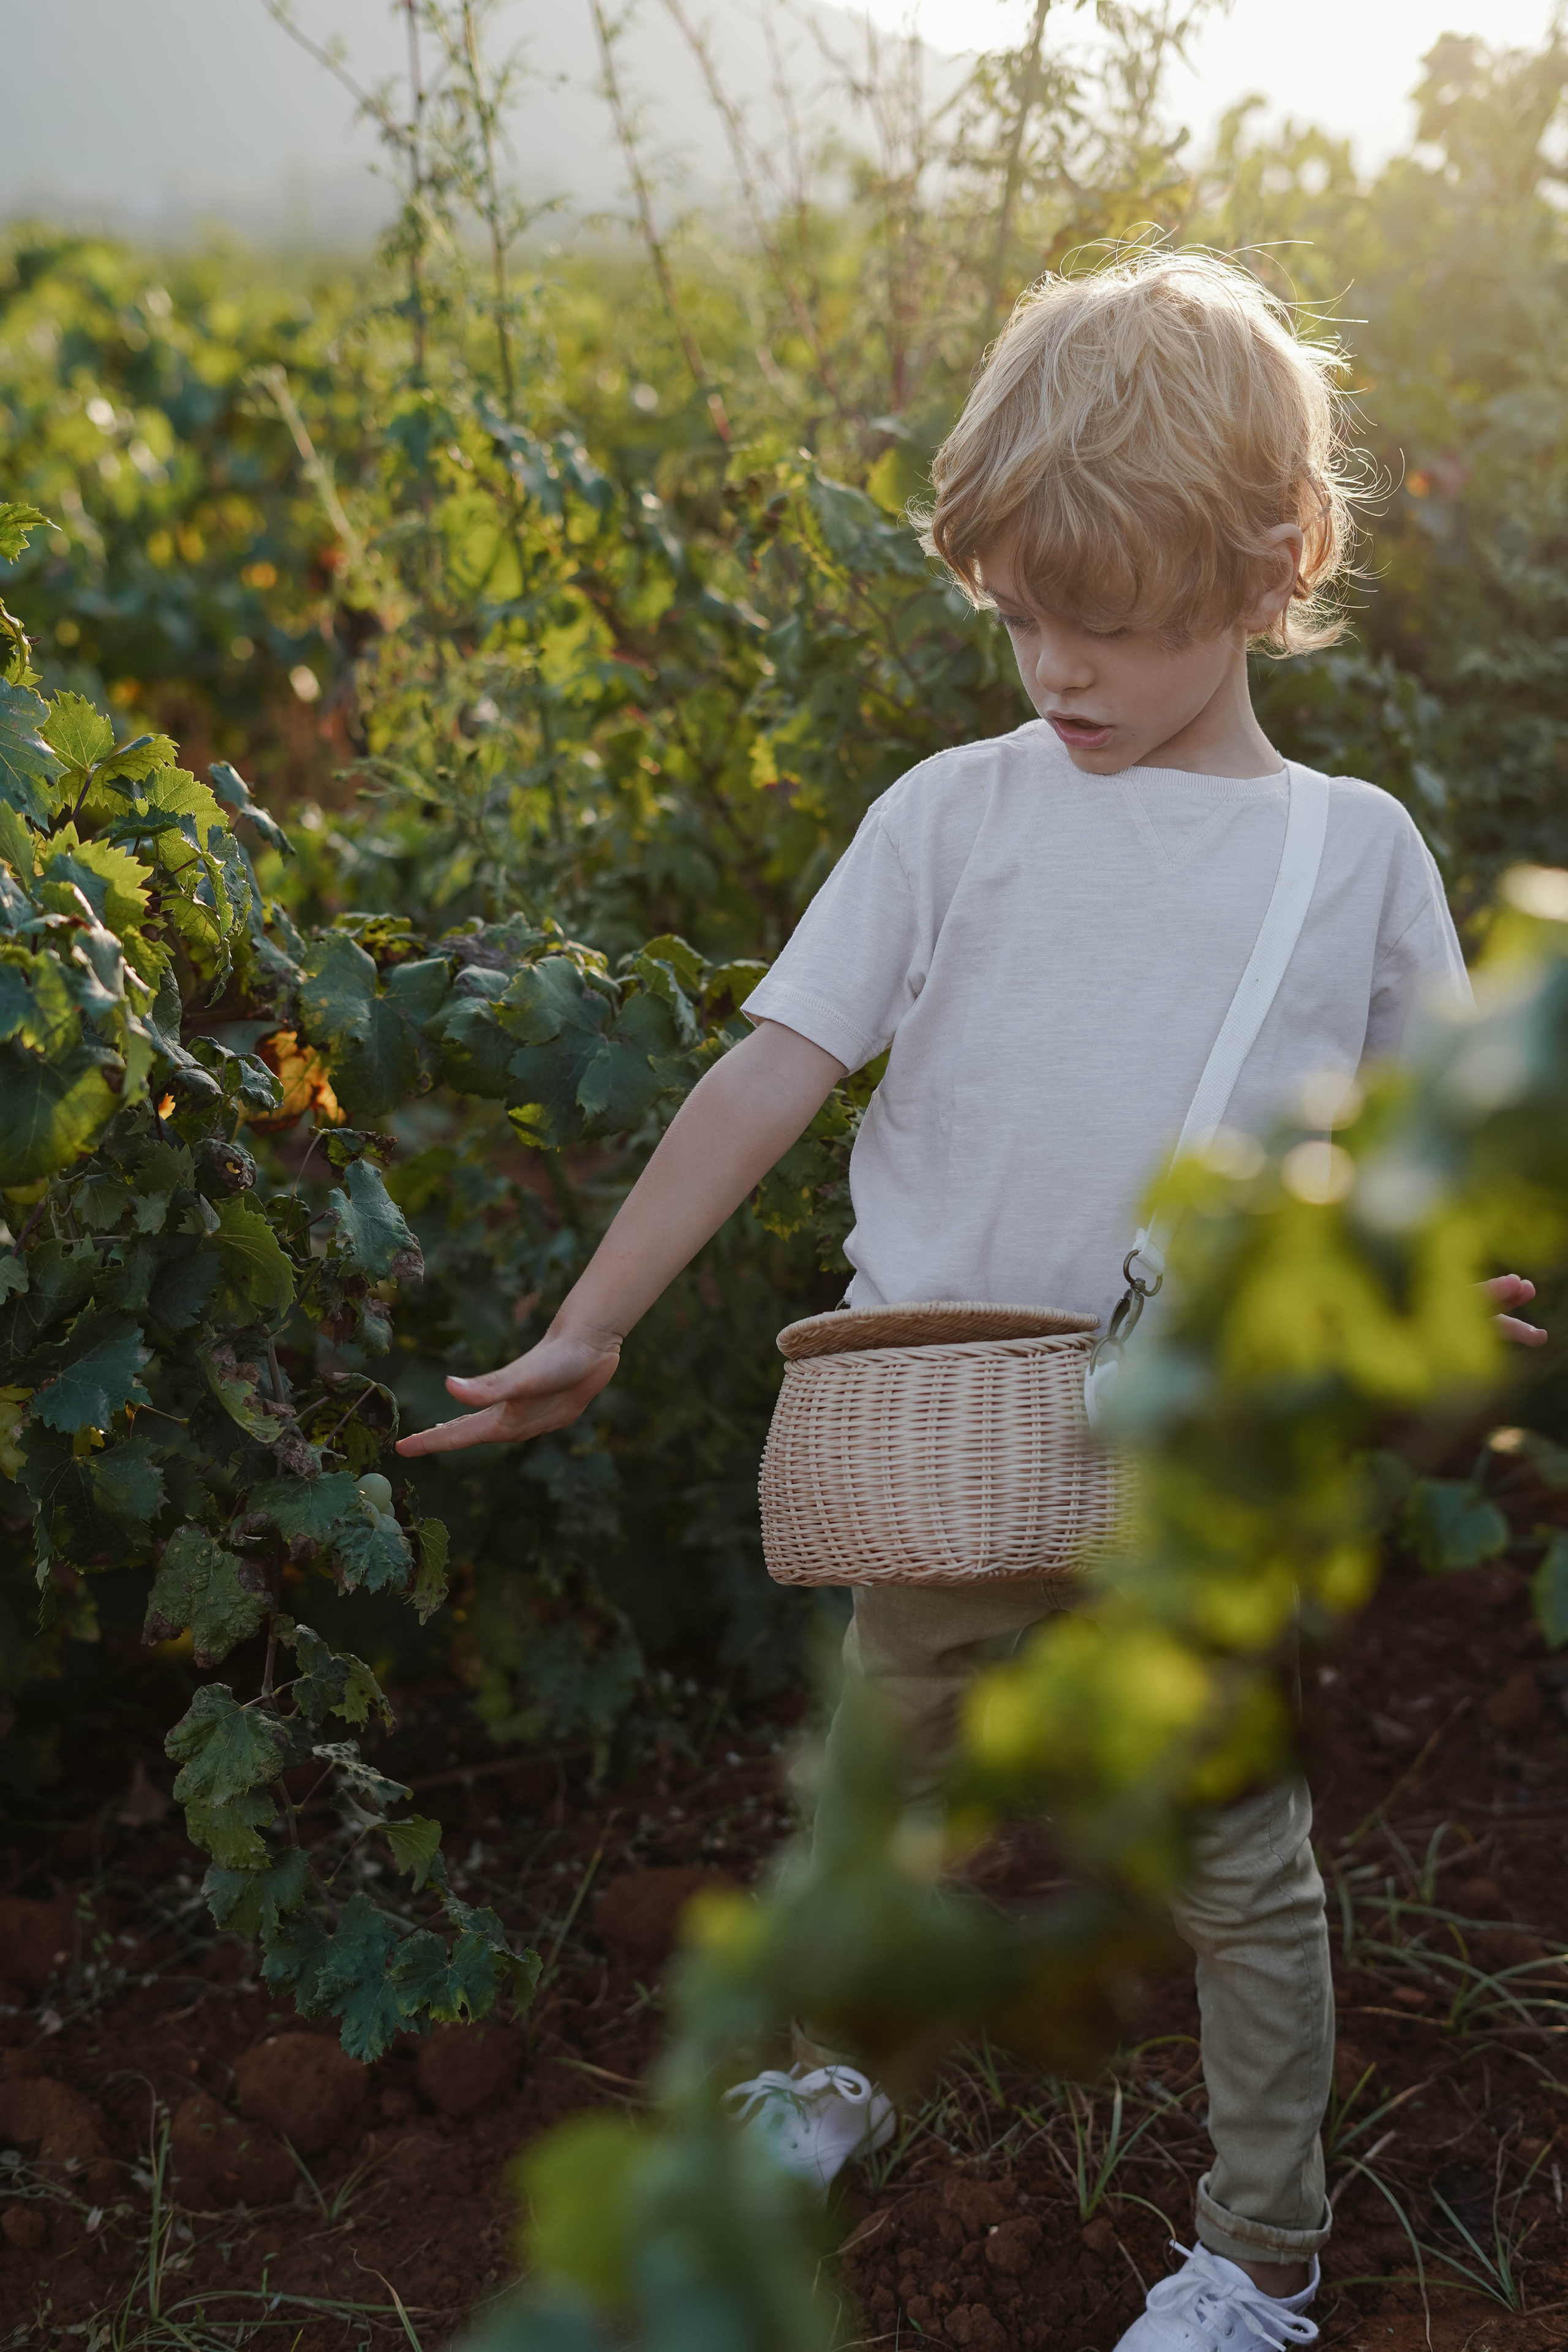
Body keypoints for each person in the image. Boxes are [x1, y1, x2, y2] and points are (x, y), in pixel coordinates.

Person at [398, 249, 1544, 2352]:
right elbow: (775, 1065)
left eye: (1105, 623)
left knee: (1240, 1862)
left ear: (1274, 565)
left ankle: (1257, 2262)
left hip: (1187, 1473)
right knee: (881, 1795)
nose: (1055, 671)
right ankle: (829, 2078)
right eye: (1020, 616)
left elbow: (1431, 1149)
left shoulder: (1348, 852)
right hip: (931, 1454)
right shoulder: (951, 817)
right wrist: (599, 1316)